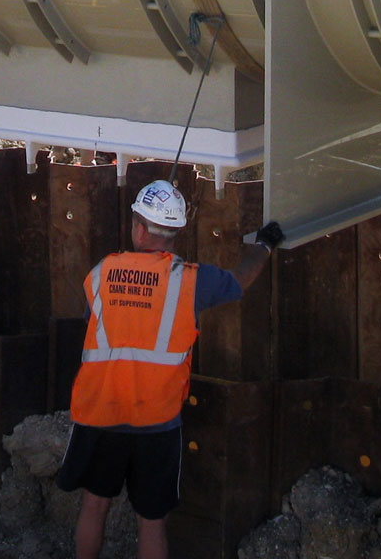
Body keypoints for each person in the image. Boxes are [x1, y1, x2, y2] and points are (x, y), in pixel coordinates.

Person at [57, 179, 285, 559]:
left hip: (100, 415)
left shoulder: (102, 273)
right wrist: (264, 245)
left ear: (140, 229)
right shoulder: (192, 281)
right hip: (156, 423)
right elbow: (240, 281)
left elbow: (94, 320)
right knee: (152, 522)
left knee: (94, 506)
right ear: (175, 233)